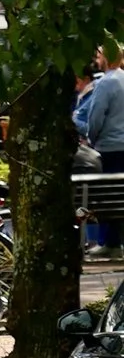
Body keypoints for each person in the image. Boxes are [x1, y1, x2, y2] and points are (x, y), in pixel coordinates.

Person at [76, 47, 124, 252]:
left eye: (98, 56)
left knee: (107, 197)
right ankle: (114, 241)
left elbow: (95, 118)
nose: (97, 60)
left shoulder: (106, 83)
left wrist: (90, 139)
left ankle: (109, 242)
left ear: (106, 58)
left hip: (109, 147)